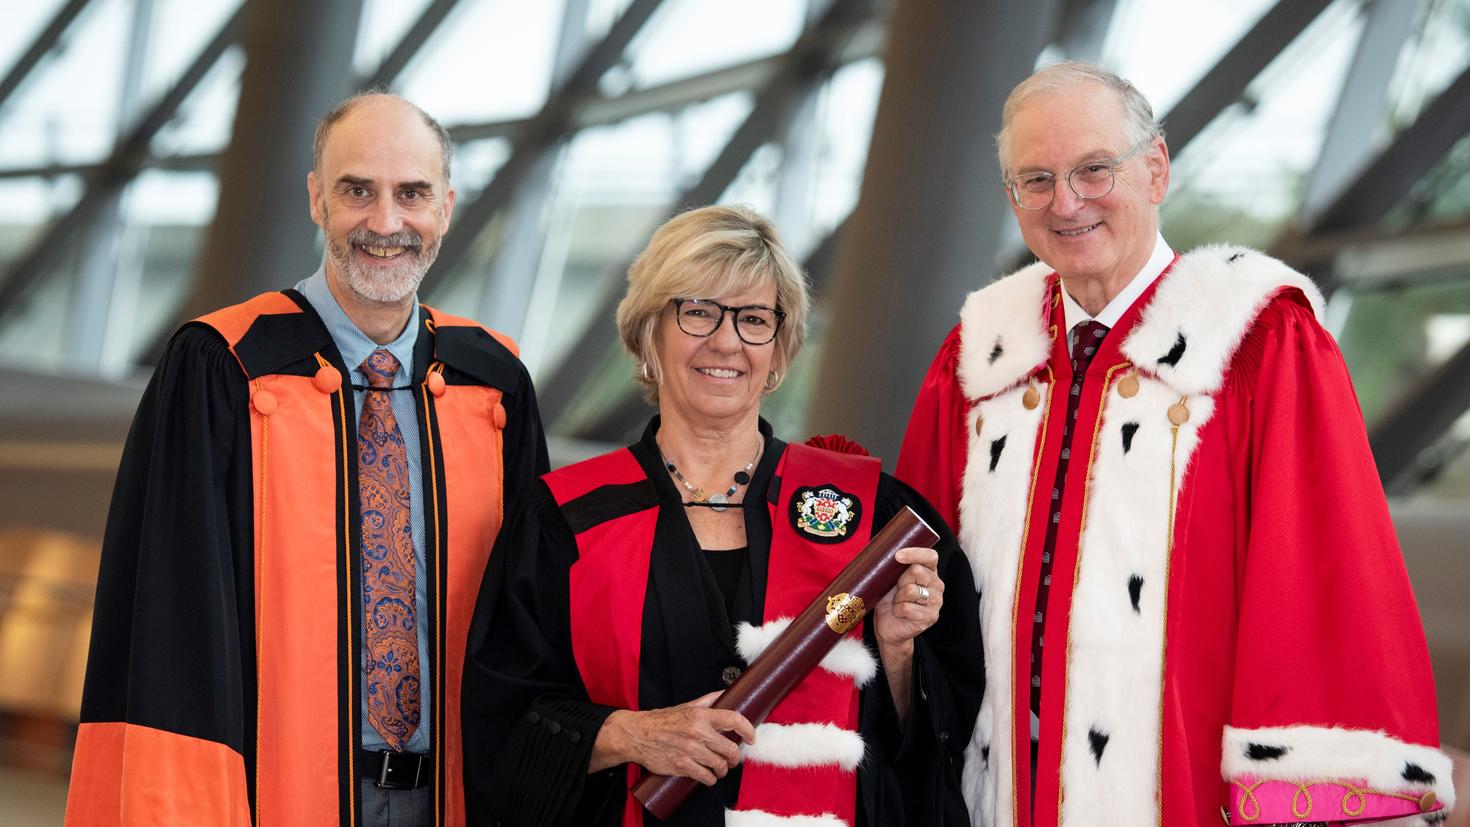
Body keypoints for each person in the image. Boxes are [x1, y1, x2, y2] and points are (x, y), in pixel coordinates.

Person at [897, 61, 1452, 827]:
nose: (1067, 202)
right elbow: (911, 584)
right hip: (993, 795)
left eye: (1095, 169)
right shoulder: (981, 357)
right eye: (1036, 179)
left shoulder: (1260, 344)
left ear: (1155, 168)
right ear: (1011, 198)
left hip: (1176, 794)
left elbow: (1321, 587)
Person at [64, 91, 547, 826]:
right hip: (276, 794)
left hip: (459, 792)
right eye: (358, 190)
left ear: (445, 206)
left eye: (411, 193)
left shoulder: (493, 381)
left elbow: (533, 618)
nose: (386, 222)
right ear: (316, 198)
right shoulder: (223, 367)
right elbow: (172, 627)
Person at [461, 204, 983, 826]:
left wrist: (898, 654)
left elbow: (936, 744)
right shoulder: (566, 519)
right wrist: (632, 735)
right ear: (649, 332)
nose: (727, 341)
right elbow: (500, 722)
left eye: (754, 319)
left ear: (780, 350)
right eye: (698, 311)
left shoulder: (869, 515)